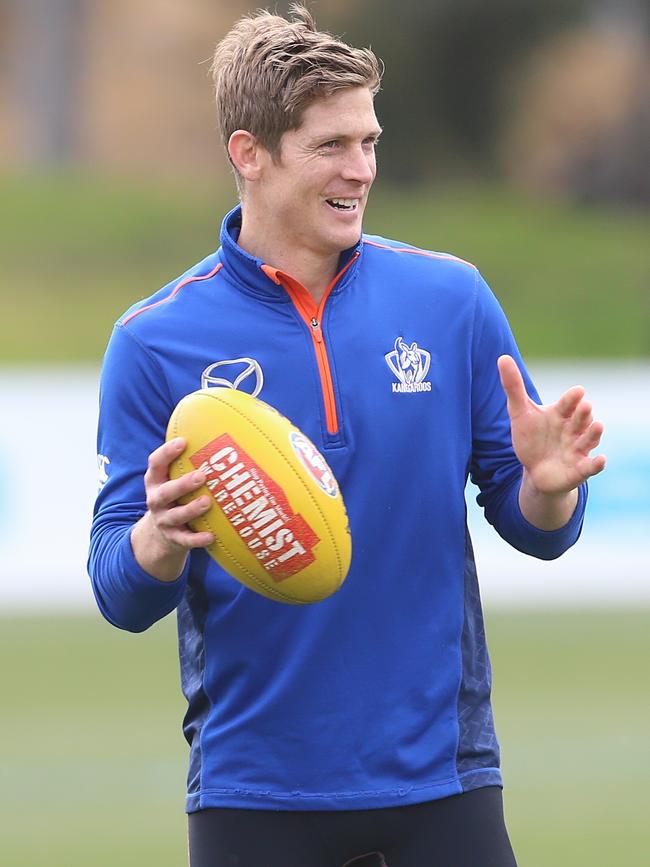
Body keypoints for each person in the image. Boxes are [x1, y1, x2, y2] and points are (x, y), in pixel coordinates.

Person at [88, 5, 606, 866]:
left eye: (369, 141)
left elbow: (538, 532)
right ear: (248, 153)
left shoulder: (452, 301)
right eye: (331, 145)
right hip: (256, 789)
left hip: (443, 775)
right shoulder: (154, 342)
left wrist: (550, 490)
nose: (361, 169)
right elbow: (117, 588)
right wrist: (157, 539)